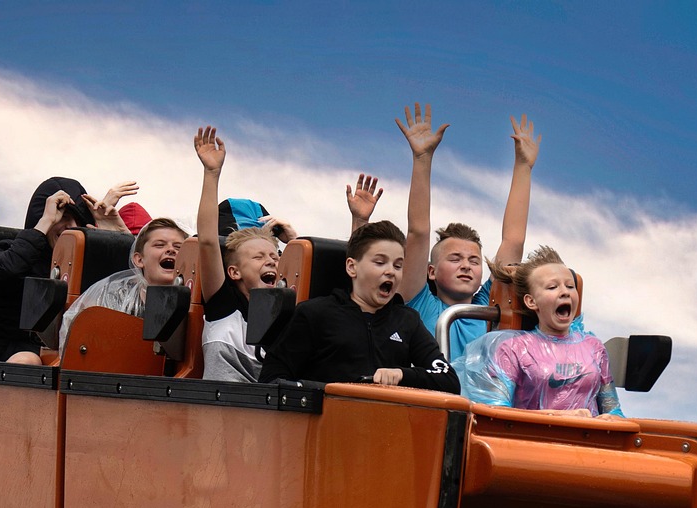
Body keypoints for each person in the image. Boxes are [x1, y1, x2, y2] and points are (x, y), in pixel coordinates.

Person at [391, 104, 545, 361]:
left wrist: (523, 166)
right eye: (455, 259)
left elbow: (513, 240)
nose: (466, 266)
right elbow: (418, 232)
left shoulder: (489, 306)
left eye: (474, 261)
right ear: (431, 271)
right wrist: (422, 159)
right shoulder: (420, 303)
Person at [258, 220, 459, 393]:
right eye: (380, 263)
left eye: (398, 266)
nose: (391, 272)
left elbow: (448, 380)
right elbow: (272, 379)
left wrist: (400, 375)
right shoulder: (314, 314)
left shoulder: (408, 320)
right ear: (352, 267)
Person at [0, 176, 137, 363]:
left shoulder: (91, 260)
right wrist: (45, 223)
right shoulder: (10, 249)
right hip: (14, 353)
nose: (70, 226)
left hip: (79, 354)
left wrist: (117, 237)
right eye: (62, 217)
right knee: (27, 360)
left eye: (77, 219)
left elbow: (134, 286)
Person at [457, 246, 622, 417]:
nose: (565, 292)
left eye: (570, 286)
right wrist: (559, 417)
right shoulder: (512, 349)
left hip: (587, 441)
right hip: (531, 441)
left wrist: (612, 419)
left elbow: (614, 410)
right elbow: (495, 415)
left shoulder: (594, 347)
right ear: (531, 301)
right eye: (552, 287)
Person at [193, 125, 298, 382]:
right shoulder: (224, 305)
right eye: (259, 257)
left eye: (274, 257)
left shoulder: (289, 315)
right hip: (222, 410)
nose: (271, 261)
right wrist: (211, 173)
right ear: (234, 271)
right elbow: (207, 242)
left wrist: (295, 242)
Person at [57, 216, 188, 353]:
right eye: (159, 245)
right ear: (139, 259)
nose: (171, 250)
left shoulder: (195, 303)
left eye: (178, 247)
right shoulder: (113, 293)